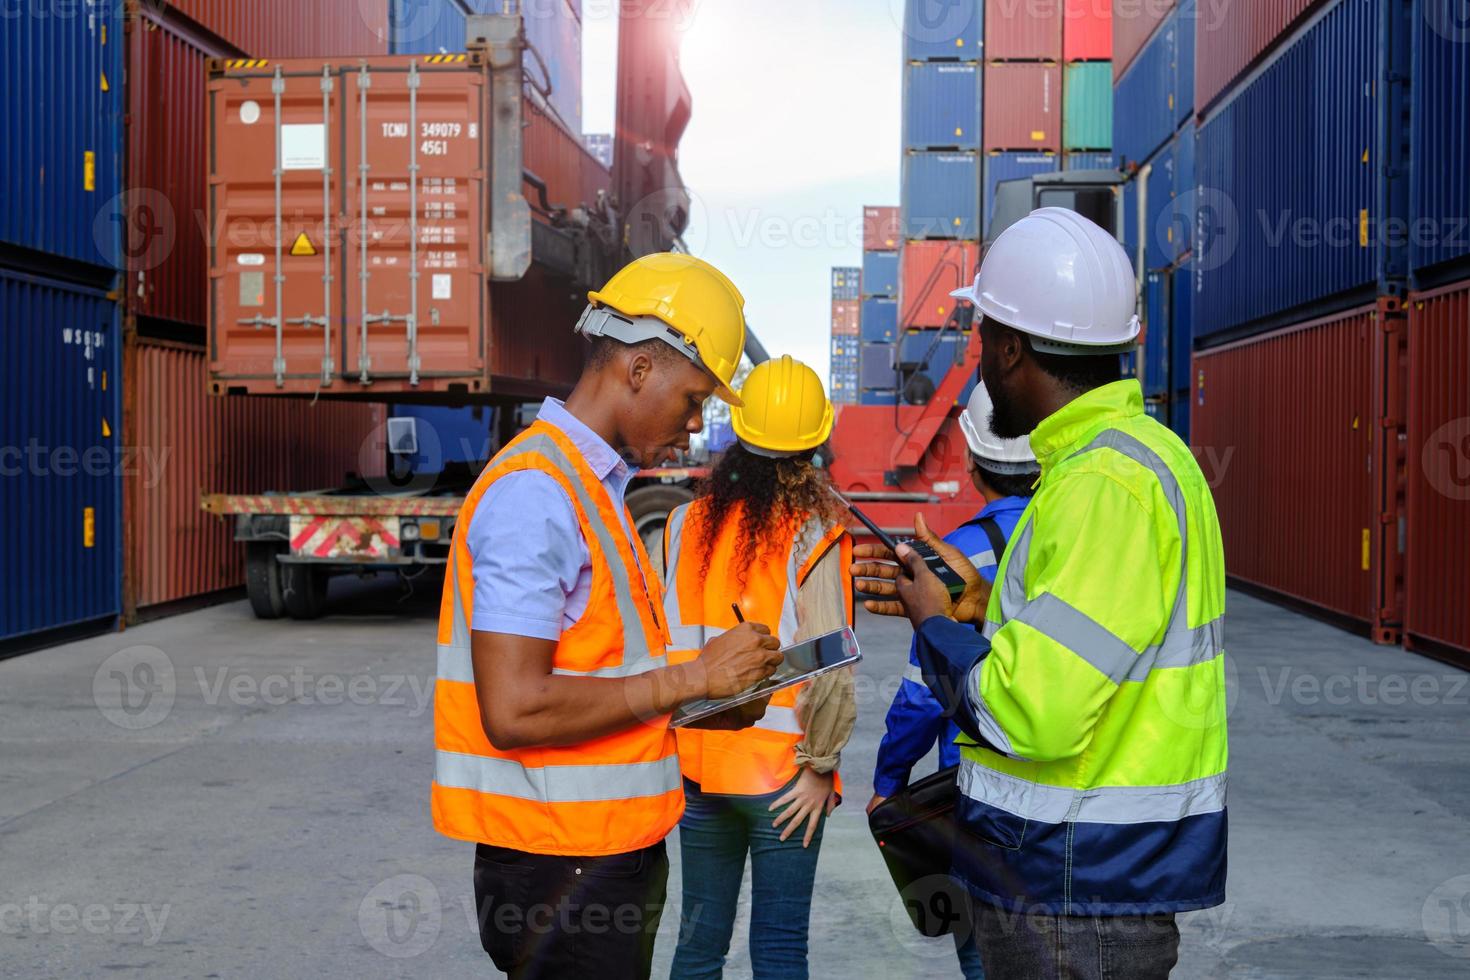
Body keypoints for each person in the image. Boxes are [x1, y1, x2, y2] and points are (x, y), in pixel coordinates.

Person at [854, 208, 1228, 980]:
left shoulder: (1098, 485)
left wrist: (934, 627)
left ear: (1011, 348)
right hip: (1096, 876)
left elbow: (1032, 718)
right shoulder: (1149, 456)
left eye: (983, 334)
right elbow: (1111, 634)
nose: (979, 355)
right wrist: (985, 605)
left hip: (1069, 885)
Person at [431, 253, 789, 980]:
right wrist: (690, 676)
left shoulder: (592, 489)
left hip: (594, 851)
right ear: (637, 370)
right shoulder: (537, 494)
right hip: (559, 864)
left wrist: (700, 702)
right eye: (693, 400)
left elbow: (601, 673)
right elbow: (516, 708)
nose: (695, 427)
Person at [662, 355, 856, 980]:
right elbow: (829, 663)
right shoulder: (817, 528)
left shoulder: (682, 524)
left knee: (698, 947)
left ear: (739, 441)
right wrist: (821, 766)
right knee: (777, 950)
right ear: (814, 447)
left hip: (697, 772)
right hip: (783, 781)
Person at [867, 381, 1038, 980]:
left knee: (985, 950)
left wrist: (889, 781)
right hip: (1071, 803)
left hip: (979, 793)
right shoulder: (1071, 536)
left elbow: (923, 691)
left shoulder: (955, 554)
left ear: (969, 459)